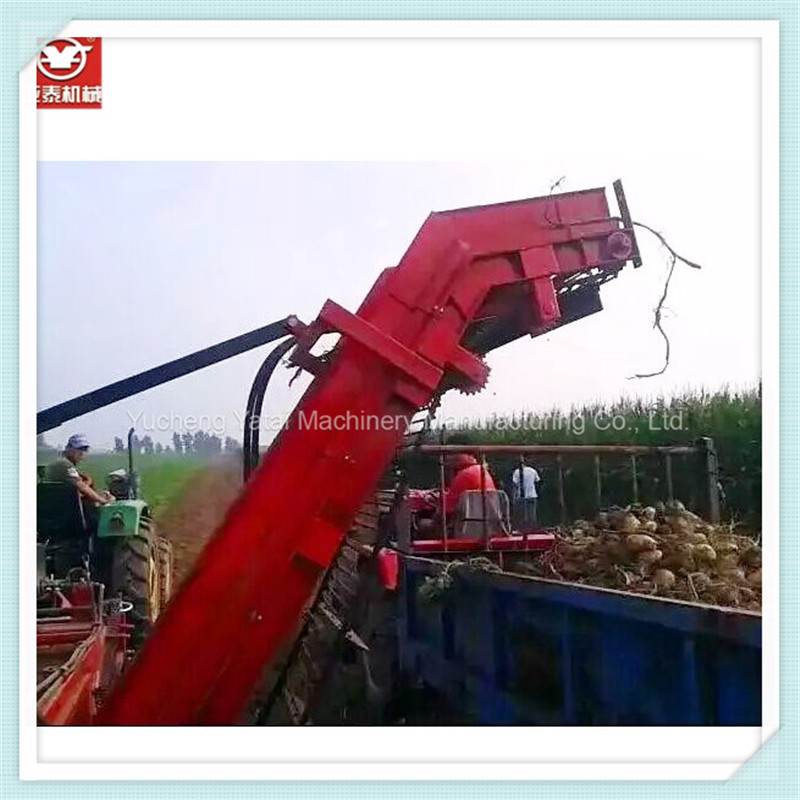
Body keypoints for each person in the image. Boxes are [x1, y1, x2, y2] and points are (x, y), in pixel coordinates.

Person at [45, 434, 113, 505]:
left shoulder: (59, 462)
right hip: (64, 506)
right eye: (78, 449)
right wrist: (103, 501)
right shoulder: (64, 464)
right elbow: (82, 487)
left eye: (84, 449)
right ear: (68, 448)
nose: (82, 453)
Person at [511, 458, 541, 525]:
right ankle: (532, 528)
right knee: (532, 514)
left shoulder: (517, 472)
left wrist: (514, 497)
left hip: (521, 496)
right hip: (532, 495)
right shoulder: (533, 471)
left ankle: (524, 528)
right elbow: (537, 481)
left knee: (522, 514)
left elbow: (514, 485)